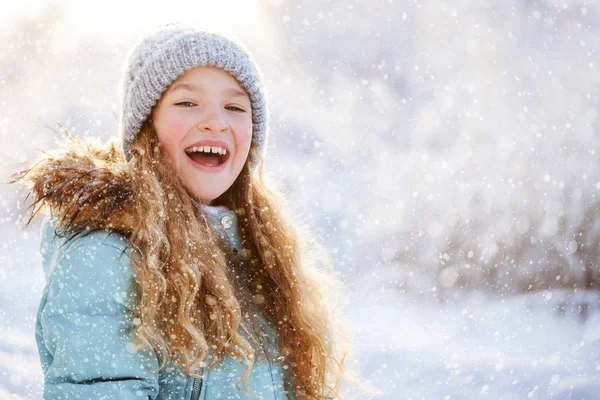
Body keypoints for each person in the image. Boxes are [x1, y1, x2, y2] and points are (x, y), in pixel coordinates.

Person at [11, 23, 376, 399]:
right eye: (187, 102)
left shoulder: (259, 256)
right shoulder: (106, 256)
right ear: (146, 128)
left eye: (235, 107)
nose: (216, 121)